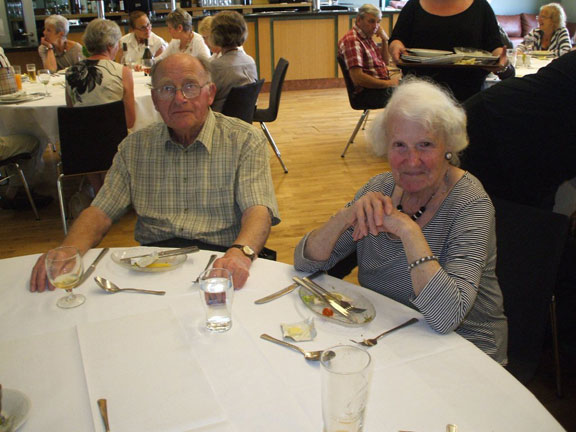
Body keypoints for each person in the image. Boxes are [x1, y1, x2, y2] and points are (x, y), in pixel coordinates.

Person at [294, 77, 508, 364]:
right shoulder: (378, 189)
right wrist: (348, 215)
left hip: (465, 351)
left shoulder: (470, 204)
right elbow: (305, 263)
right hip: (389, 338)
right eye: (400, 145)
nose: (412, 160)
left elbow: (447, 317)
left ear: (449, 146)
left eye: (425, 144)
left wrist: (409, 231)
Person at [30, 53, 280, 292]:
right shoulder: (135, 147)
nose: (180, 98)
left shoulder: (244, 140)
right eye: (167, 89)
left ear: (210, 93)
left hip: (220, 260)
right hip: (153, 266)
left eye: (190, 86)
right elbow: (100, 211)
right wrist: (67, 250)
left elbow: (258, 210)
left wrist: (241, 252)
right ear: (154, 100)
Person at [65, 18, 136, 195]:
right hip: (113, 142)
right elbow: (129, 120)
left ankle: (99, 191)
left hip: (80, 146)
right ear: (112, 45)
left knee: (86, 133)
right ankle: (110, 190)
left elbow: (72, 115)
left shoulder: (70, 72)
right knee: (118, 133)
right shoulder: (122, 72)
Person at [389, 0, 506, 102]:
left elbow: (494, 45)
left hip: (469, 95)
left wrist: (499, 57)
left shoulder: (481, 6)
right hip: (418, 95)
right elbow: (397, 39)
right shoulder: (413, 5)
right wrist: (396, 47)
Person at [338, 4, 400, 108]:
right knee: (412, 93)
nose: (375, 26)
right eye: (371, 21)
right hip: (369, 94)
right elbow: (358, 78)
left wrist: (385, 40)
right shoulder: (353, 41)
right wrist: (389, 83)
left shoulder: (366, 37)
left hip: (378, 88)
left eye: (378, 22)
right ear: (358, 20)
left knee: (413, 87)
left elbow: (385, 62)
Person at [209, 11, 258, 112]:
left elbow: (206, 99)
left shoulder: (215, 67)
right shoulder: (250, 61)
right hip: (245, 120)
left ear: (215, 34)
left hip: (219, 121)